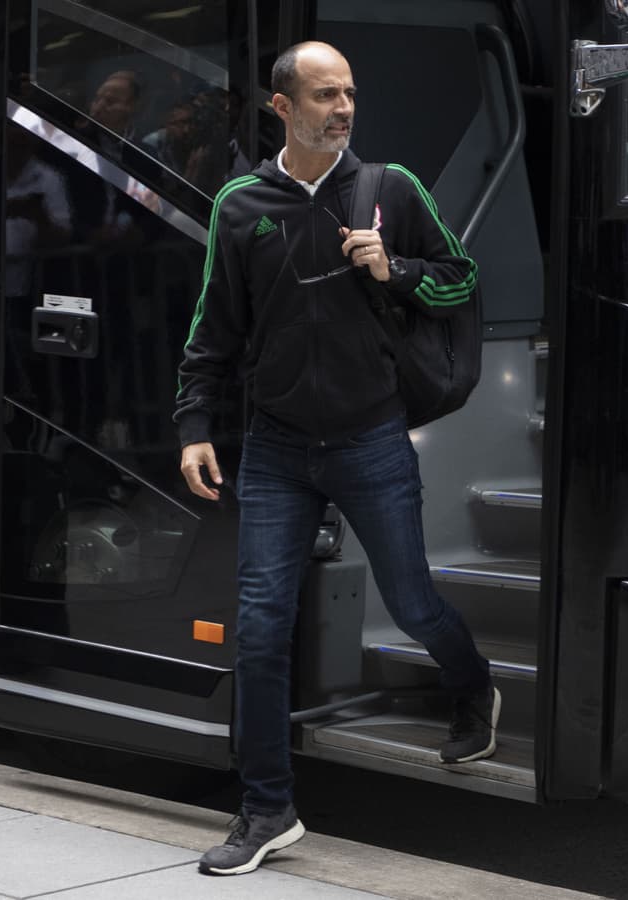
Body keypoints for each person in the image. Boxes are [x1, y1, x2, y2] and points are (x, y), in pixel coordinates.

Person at [174, 41, 495, 877]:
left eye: (349, 92)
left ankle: (471, 685)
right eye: (324, 95)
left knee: (415, 603)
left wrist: (397, 273)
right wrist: (193, 424)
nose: (343, 107)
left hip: (371, 438)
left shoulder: (390, 188)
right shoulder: (241, 206)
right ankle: (267, 809)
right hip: (278, 448)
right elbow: (215, 327)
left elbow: (462, 278)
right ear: (282, 107)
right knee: (259, 624)